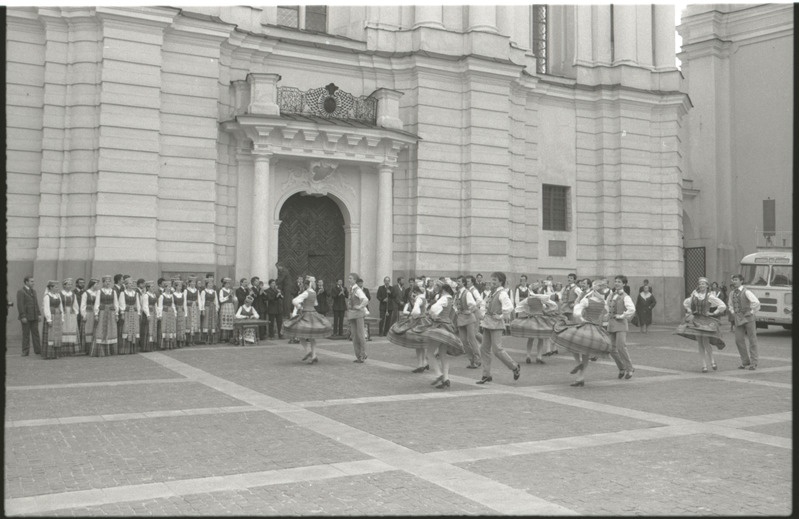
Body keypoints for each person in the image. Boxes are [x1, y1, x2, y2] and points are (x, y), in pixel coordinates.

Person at [553, 279, 615, 386]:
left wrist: (582, 319)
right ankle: (580, 377)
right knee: (586, 352)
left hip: (585, 325)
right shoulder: (603, 302)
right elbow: (606, 314)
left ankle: (579, 363)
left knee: (573, 344)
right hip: (596, 328)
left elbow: (576, 313)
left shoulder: (587, 300)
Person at [476, 272, 521, 384]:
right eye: (492, 279)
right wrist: (483, 314)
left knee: (497, 349)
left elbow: (509, 307)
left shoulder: (502, 293)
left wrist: (500, 316)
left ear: (501, 282)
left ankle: (514, 366)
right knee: (484, 348)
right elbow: (484, 304)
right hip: (488, 323)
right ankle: (486, 375)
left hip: (496, 324)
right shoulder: (493, 292)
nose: (492, 282)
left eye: (495, 280)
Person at [674, 277, 726, 373]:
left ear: (707, 286)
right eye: (700, 284)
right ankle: (704, 365)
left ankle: (712, 361)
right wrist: (689, 310)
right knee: (700, 343)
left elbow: (722, 305)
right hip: (696, 320)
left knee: (705, 342)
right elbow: (686, 303)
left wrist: (713, 313)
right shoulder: (694, 295)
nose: (701, 285)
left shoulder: (709, 296)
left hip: (706, 320)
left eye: (703, 284)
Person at [282, 276, 333, 364]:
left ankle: (308, 351)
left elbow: (294, 300)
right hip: (313, 313)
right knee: (312, 337)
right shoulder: (314, 292)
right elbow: (315, 303)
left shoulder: (306, 292)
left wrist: (299, 306)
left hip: (306, 314)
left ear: (306, 285)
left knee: (299, 333)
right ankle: (314, 355)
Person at [510, 281, 558, 365]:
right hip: (540, 319)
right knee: (540, 338)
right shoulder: (541, 298)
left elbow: (519, 307)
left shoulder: (528, 299)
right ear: (538, 290)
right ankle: (539, 356)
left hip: (531, 319)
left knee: (530, 338)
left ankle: (528, 355)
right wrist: (547, 310)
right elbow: (553, 305)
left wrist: (527, 312)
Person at [387, 282, 429, 373]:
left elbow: (416, 311)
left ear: (416, 291)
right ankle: (424, 363)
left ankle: (420, 365)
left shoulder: (419, 299)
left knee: (418, 344)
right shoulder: (424, 298)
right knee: (422, 344)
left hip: (418, 321)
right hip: (424, 321)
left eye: (414, 291)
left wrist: (413, 316)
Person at [728, 274, 761, 370]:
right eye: (733, 279)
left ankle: (754, 362)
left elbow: (756, 302)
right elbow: (730, 305)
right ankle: (745, 361)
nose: (734, 281)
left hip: (749, 318)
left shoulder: (746, 292)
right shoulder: (732, 293)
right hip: (738, 319)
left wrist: (751, 312)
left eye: (736, 279)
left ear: (741, 281)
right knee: (738, 340)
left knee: (752, 340)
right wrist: (733, 312)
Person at [607, 275, 637, 380]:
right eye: (615, 281)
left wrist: (621, 316)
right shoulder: (611, 294)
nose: (616, 283)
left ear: (624, 284)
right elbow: (606, 307)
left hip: (621, 324)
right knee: (610, 348)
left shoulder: (626, 296)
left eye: (619, 282)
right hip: (611, 324)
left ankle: (629, 368)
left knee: (621, 347)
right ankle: (622, 367)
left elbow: (632, 309)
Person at [455, 276, 482, 369]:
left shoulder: (467, 293)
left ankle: (477, 360)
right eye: (457, 281)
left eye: (459, 281)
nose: (457, 283)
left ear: (463, 283)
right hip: (460, 318)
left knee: (471, 339)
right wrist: (457, 310)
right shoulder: (457, 293)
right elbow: (455, 304)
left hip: (469, 318)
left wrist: (470, 311)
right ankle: (471, 360)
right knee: (463, 341)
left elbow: (474, 304)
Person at [92, 275, 119, 357]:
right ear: (103, 282)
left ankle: (111, 350)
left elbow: (116, 303)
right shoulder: (100, 291)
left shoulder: (113, 292)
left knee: (111, 329)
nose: (108, 283)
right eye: (106, 281)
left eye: (109, 281)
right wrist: (96, 314)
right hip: (103, 312)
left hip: (111, 313)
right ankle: (101, 350)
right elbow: (97, 303)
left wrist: (117, 314)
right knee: (101, 329)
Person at [347, 273, 369, 362]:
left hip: (358, 314)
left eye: (350, 278)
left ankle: (363, 354)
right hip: (352, 314)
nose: (349, 280)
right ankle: (359, 356)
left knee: (360, 334)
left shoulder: (357, 290)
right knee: (354, 335)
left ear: (355, 280)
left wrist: (360, 306)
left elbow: (365, 299)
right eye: (349, 278)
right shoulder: (351, 289)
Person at [17, 275, 41, 356]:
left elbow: (36, 304)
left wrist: (39, 314)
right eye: (31, 281)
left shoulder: (34, 291)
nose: (33, 283)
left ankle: (38, 350)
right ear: (26, 282)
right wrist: (22, 316)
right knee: (26, 334)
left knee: (36, 334)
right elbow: (20, 305)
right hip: (26, 317)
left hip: (34, 316)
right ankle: (25, 351)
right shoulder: (21, 291)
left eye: (33, 281)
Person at [41, 280, 64, 360]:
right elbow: (46, 308)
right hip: (51, 317)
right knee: (50, 335)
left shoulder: (58, 295)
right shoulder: (47, 296)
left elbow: (61, 307)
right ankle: (49, 353)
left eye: (57, 287)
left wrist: (62, 318)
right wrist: (49, 319)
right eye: (56, 287)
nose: (57, 288)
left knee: (57, 335)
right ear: (51, 287)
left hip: (58, 317)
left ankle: (56, 353)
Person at [118, 277, 141, 354]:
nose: (131, 285)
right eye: (129, 283)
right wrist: (122, 313)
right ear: (126, 285)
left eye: (132, 283)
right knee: (126, 328)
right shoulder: (123, 293)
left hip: (134, 313)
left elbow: (137, 304)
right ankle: (125, 349)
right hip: (127, 313)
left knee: (135, 328)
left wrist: (138, 313)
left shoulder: (135, 293)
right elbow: (121, 304)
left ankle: (133, 348)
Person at [59, 278, 79, 356]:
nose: (70, 286)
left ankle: (71, 349)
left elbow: (75, 304)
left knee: (71, 329)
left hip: (71, 313)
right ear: (64, 285)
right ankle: (63, 349)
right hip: (64, 313)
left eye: (71, 284)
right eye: (68, 284)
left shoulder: (73, 294)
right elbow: (59, 304)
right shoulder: (60, 294)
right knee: (64, 329)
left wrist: (76, 313)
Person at [79, 279, 99, 355]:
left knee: (95, 329)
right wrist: (84, 315)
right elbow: (83, 305)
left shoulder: (98, 293)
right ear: (92, 285)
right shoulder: (86, 293)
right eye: (96, 284)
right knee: (88, 330)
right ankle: (86, 348)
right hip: (89, 313)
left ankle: (94, 347)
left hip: (96, 313)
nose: (97, 286)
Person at [199, 279, 219, 344]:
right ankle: (205, 339)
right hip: (207, 308)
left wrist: (216, 309)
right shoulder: (204, 291)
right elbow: (202, 301)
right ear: (207, 284)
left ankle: (212, 339)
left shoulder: (214, 292)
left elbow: (216, 301)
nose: (211, 285)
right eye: (209, 283)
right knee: (206, 322)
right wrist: (203, 309)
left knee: (213, 322)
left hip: (212, 308)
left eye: (211, 283)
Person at [158, 284, 178, 350]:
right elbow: (160, 306)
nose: (169, 288)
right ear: (165, 288)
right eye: (168, 287)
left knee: (171, 327)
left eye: (170, 287)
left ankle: (171, 344)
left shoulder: (171, 296)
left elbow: (173, 305)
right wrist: (160, 315)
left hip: (171, 313)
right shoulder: (162, 296)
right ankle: (164, 345)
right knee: (165, 327)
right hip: (165, 312)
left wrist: (175, 313)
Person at [218, 278, 236, 343]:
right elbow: (221, 300)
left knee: (230, 320)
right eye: (227, 284)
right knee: (224, 320)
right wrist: (228, 296)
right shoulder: (221, 290)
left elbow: (234, 299)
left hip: (230, 306)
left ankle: (230, 337)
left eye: (229, 283)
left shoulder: (231, 290)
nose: (228, 285)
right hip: (225, 306)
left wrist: (233, 296)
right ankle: (223, 338)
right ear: (224, 284)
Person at [185, 276, 201, 345]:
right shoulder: (186, 290)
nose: (193, 284)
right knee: (189, 323)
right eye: (192, 282)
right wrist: (185, 311)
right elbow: (184, 301)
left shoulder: (196, 291)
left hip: (195, 308)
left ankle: (193, 340)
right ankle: (188, 340)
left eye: (194, 282)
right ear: (189, 283)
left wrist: (199, 309)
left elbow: (199, 300)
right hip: (189, 308)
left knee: (195, 323)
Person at [172, 279, 187, 348]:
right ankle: (177, 341)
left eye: (181, 286)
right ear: (176, 286)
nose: (180, 287)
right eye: (178, 286)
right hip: (176, 310)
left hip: (182, 311)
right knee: (176, 326)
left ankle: (181, 340)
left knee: (182, 326)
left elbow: (184, 304)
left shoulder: (182, 294)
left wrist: (185, 313)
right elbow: (172, 304)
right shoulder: (173, 294)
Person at [73, 277, 86, 353]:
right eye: (80, 283)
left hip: (84, 313)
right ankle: (76, 347)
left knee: (83, 331)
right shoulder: (73, 292)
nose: (82, 284)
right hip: (76, 314)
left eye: (83, 283)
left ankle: (83, 347)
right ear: (76, 284)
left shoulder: (85, 292)